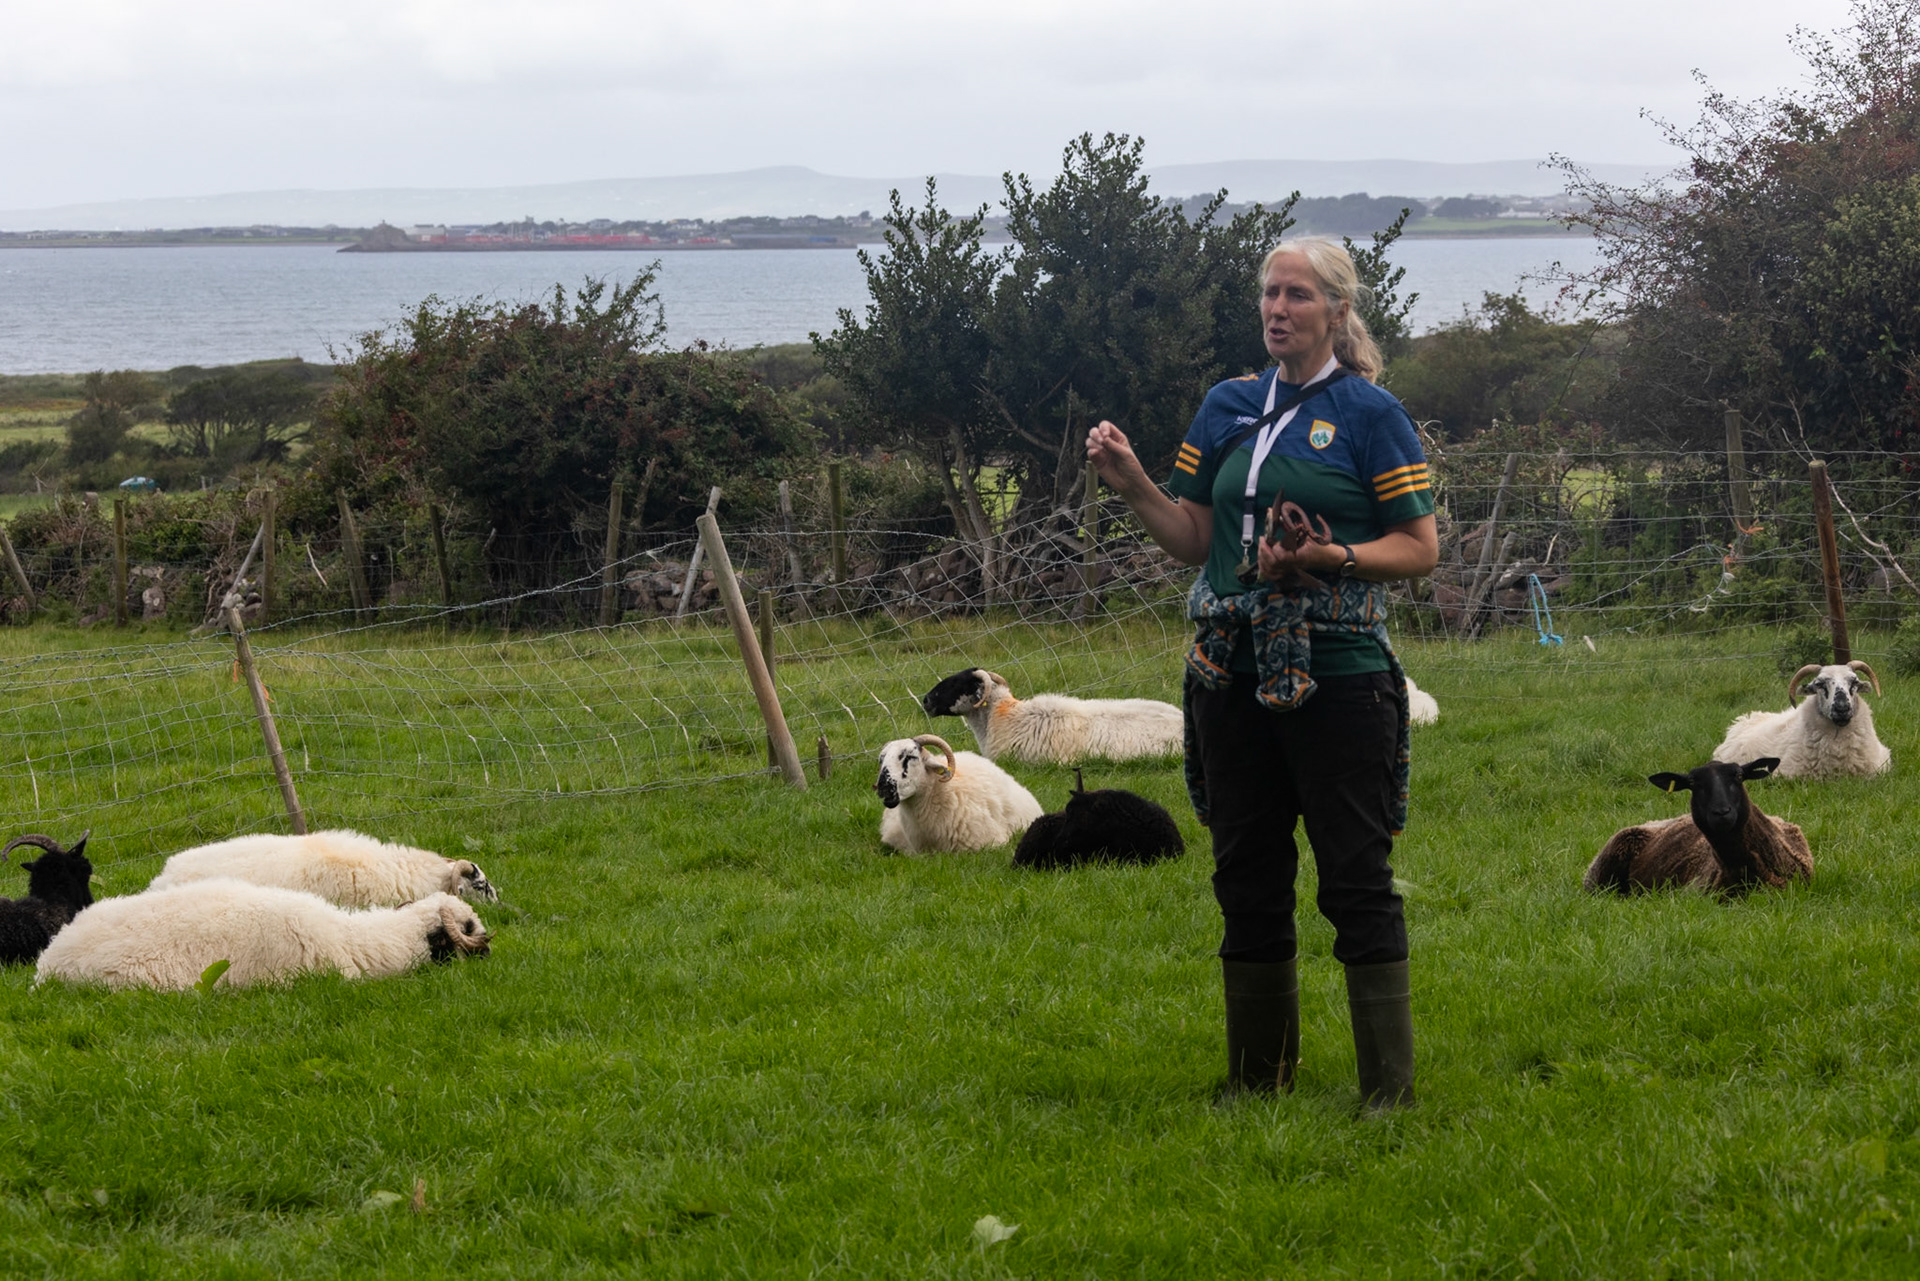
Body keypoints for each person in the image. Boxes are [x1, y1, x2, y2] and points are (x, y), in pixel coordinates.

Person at [1086, 237, 1437, 1107]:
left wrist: (1332, 554)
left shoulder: (1370, 414)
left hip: (1339, 672)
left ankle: (1387, 1091)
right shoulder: (1227, 405)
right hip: (1229, 670)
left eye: (1298, 296)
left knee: (1354, 873)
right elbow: (1196, 543)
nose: (1278, 309)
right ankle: (1257, 1079)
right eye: (1269, 295)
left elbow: (1420, 548)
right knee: (1245, 869)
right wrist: (1135, 486)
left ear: (1336, 312)